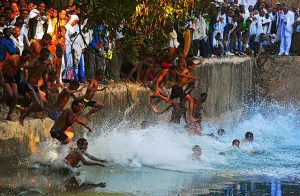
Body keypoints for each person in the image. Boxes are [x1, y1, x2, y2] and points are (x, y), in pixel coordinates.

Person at [19, 48, 51, 125]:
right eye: (45, 55)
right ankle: (22, 116)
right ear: (41, 53)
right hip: (29, 84)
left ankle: (25, 111)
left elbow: (43, 75)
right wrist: (32, 65)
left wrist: (46, 89)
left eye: (47, 56)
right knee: (36, 102)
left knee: (41, 107)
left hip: (35, 85)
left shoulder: (46, 62)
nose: (46, 57)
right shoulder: (36, 60)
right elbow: (27, 66)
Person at [0, 49, 31, 120]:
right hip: (4, 75)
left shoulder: (25, 63)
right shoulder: (14, 58)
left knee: (15, 96)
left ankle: (9, 115)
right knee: (10, 94)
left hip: (12, 77)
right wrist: (1, 77)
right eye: (26, 57)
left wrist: (26, 87)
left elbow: (26, 75)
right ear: (22, 55)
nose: (27, 59)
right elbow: (1, 65)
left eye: (28, 58)